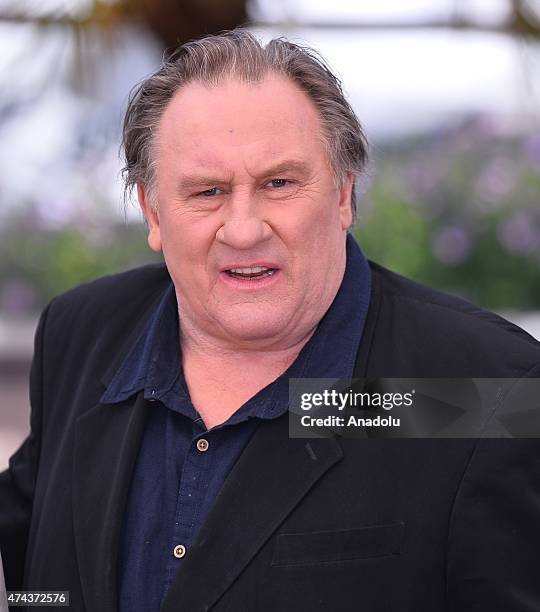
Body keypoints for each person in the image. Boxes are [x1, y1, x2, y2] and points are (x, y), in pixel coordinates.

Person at [1, 29, 540, 612]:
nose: (243, 228)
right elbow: (39, 575)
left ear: (343, 194)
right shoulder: (82, 334)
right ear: (153, 212)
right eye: (207, 191)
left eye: (278, 183)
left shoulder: (488, 386)